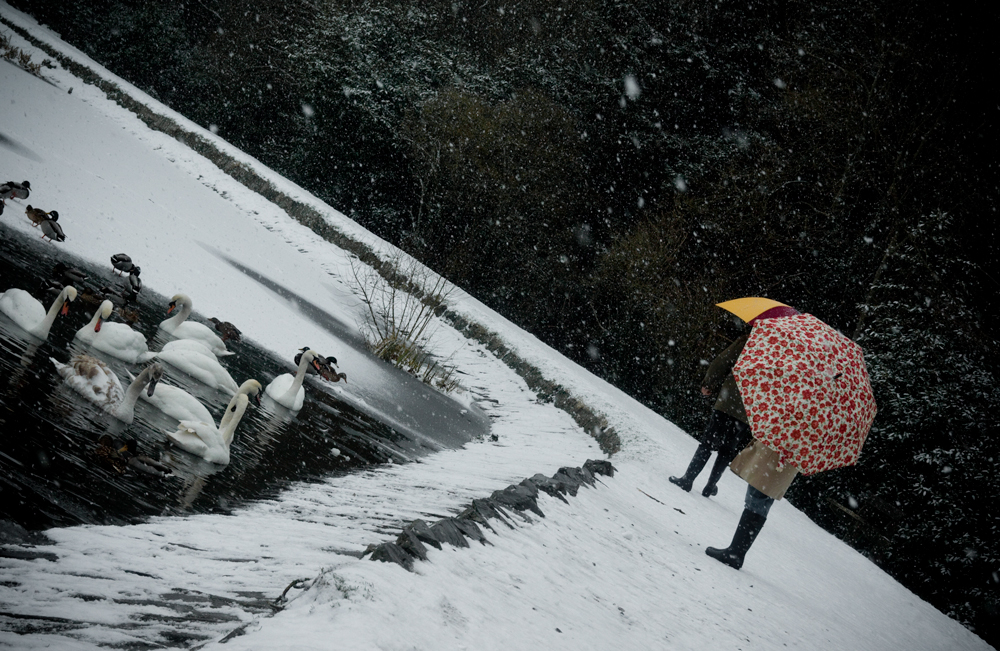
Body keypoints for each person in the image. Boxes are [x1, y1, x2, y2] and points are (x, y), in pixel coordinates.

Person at [669, 330, 754, 497]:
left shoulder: (749, 341)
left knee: (708, 442)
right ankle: (710, 486)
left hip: (727, 401)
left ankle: (688, 479)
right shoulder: (783, 356)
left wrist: (709, 383)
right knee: (727, 449)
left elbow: (721, 362)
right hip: (747, 409)